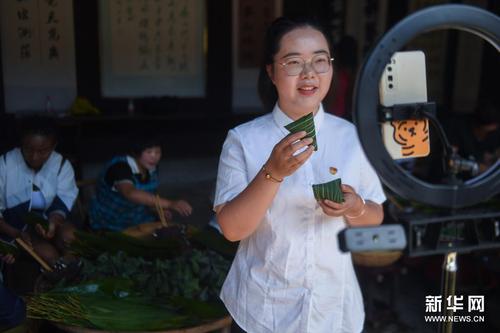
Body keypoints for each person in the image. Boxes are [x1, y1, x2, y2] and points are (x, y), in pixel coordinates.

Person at [214, 17, 385, 333]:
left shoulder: (350, 137)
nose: (309, 74)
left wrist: (354, 208)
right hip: (263, 311)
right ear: (271, 71)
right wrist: (272, 173)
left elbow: (375, 215)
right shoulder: (244, 140)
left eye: (320, 61)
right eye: (294, 62)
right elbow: (232, 229)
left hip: (334, 309)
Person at [0, 116, 78, 267]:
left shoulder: (61, 165)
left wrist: (53, 222)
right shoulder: (4, 165)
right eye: (28, 149)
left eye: (43, 151)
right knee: (49, 256)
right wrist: (16, 234)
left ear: (53, 146)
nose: (34, 157)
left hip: (44, 226)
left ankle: (71, 269)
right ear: (21, 144)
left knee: (71, 236)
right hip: (13, 230)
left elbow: (62, 203)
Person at [89, 137, 193, 231]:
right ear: (136, 153)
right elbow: (130, 193)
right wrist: (170, 203)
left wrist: (156, 209)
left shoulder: (151, 167)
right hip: (110, 223)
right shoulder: (120, 167)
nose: (154, 157)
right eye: (149, 152)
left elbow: (148, 195)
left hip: (139, 219)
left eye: (158, 152)